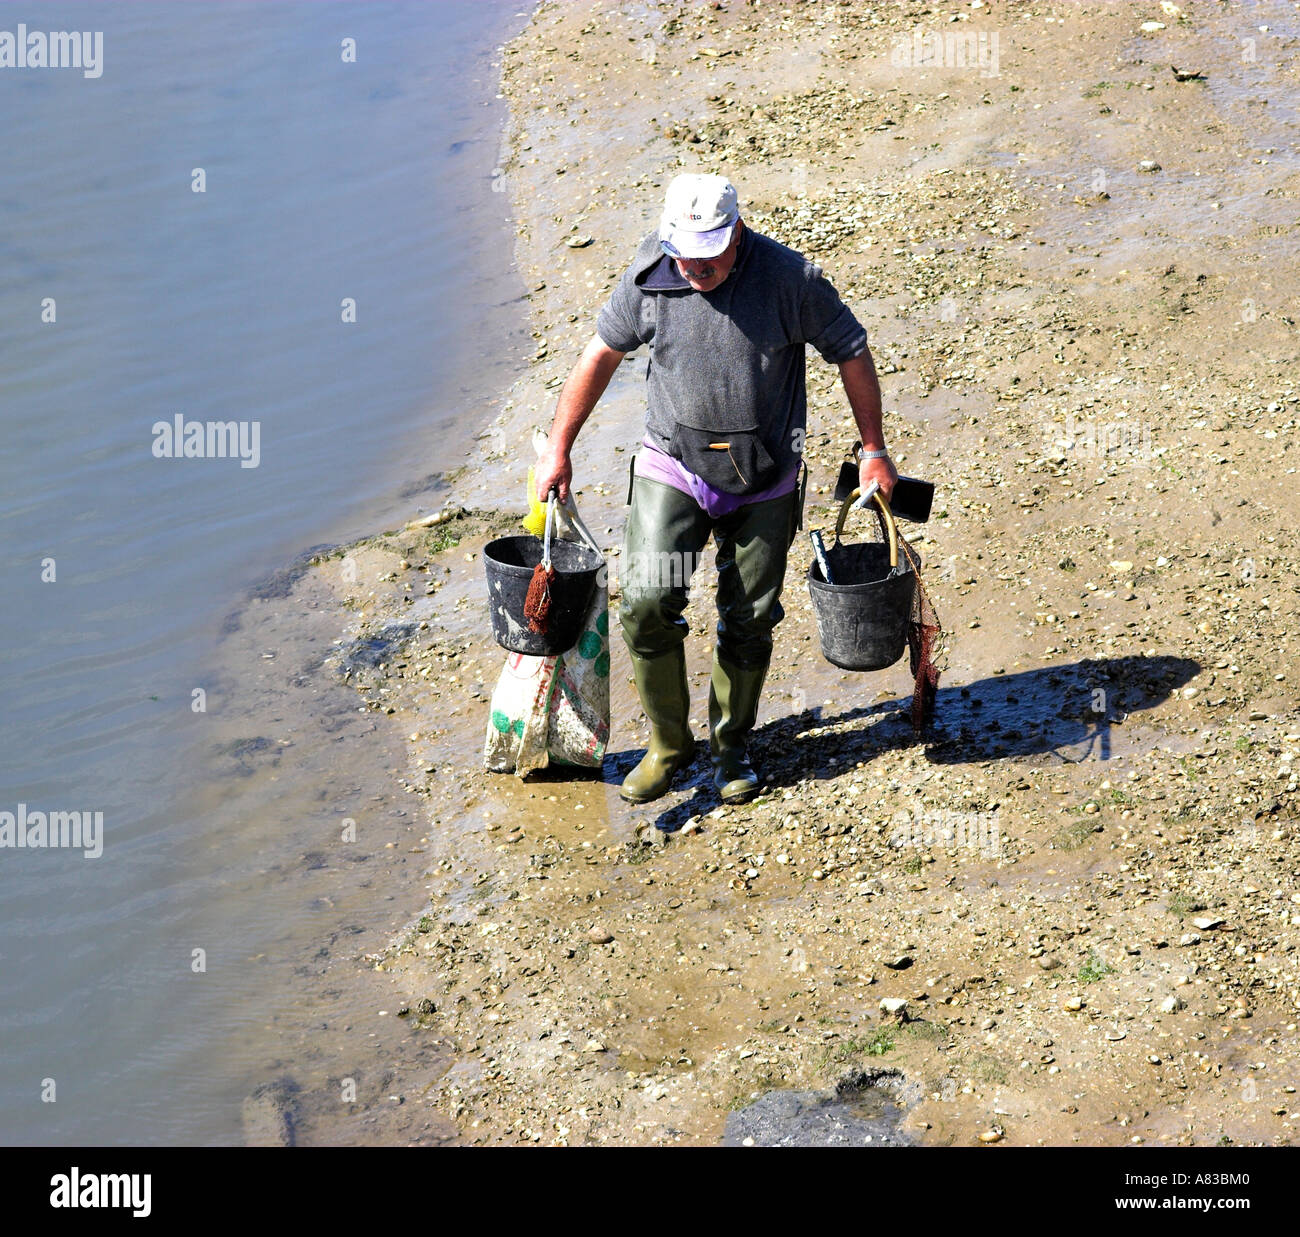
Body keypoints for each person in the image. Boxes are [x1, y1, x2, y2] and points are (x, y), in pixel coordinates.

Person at [534, 173, 896, 805]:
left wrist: (873, 451)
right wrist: (559, 450)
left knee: (749, 617)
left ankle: (732, 745)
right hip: (673, 465)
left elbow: (853, 350)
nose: (693, 266)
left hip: (765, 478)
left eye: (707, 253)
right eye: (683, 252)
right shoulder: (651, 276)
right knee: (646, 603)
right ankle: (669, 745)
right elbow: (598, 357)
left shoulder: (790, 280)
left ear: (738, 234)